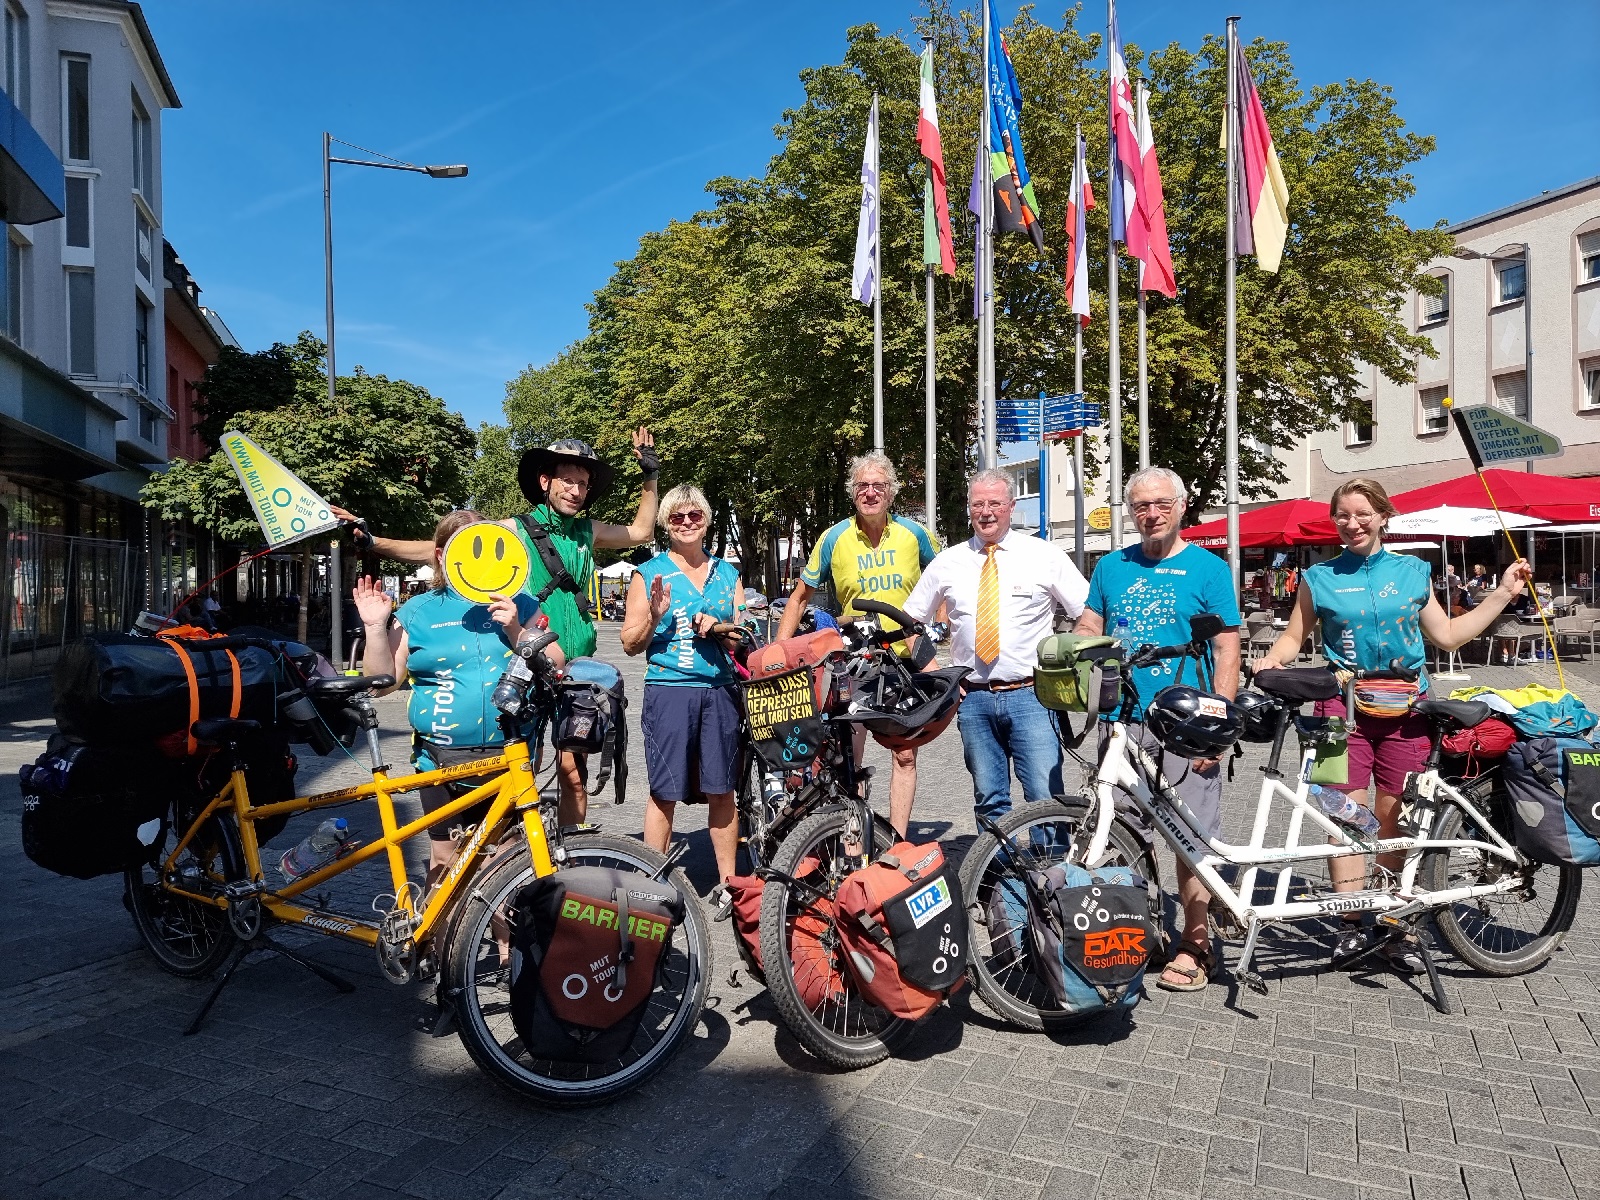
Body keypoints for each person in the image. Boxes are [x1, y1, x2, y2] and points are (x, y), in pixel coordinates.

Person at [1255, 478, 1532, 971]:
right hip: (1341, 709)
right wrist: (1269, 666)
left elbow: (1447, 636)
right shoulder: (1320, 578)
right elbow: (1295, 637)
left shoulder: (1412, 572)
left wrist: (1502, 595)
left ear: (1384, 516)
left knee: (1394, 816)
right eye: (1342, 515)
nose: (1352, 523)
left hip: (1409, 711)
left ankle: (1388, 918)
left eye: (1363, 514)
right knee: (1342, 816)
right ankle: (1350, 922)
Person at [332, 428, 658, 827]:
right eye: (568, 480)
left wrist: (650, 475)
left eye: (583, 483)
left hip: (574, 667)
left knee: (574, 771)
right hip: (530, 658)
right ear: (546, 482)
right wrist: (373, 542)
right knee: (528, 765)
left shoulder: (588, 531)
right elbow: (447, 548)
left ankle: (571, 850)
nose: (576, 490)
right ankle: (515, 849)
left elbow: (642, 532)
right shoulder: (514, 528)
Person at [1072, 467, 1241, 994]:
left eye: (1161, 504)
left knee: (1190, 838)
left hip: (1188, 724)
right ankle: (1136, 930)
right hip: (1122, 722)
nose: (1151, 514)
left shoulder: (1208, 570)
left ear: (1182, 506)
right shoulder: (1111, 567)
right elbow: (1090, 624)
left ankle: (1195, 941)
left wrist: (1219, 726)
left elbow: (1227, 648)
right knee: (1124, 833)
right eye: (1141, 506)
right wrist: (1077, 645)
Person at [352, 510, 543, 889]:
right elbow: (382, 682)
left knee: (505, 860)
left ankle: (506, 951)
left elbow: (554, 662)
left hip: (510, 753)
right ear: (441, 555)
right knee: (445, 858)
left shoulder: (521, 601)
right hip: (439, 760)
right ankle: (443, 946)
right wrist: (375, 628)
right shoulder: (420, 610)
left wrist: (517, 629)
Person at [903, 469, 1089, 826]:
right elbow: (910, 621)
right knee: (989, 800)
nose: (986, 511)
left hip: (1032, 697)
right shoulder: (949, 561)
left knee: (1044, 797)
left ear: (1011, 506)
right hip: (972, 699)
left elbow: (1087, 612)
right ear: (969, 509)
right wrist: (934, 674)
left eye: (995, 503)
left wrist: (1066, 666)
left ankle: (1052, 881)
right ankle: (995, 881)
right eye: (978, 504)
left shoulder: (1043, 555)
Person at [775, 451, 939, 836]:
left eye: (878, 486)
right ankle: (853, 843)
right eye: (862, 486)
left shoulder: (915, 535)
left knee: (904, 756)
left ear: (892, 493)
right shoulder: (834, 537)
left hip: (904, 660)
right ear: (853, 493)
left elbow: (944, 583)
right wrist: (777, 654)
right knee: (847, 757)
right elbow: (799, 598)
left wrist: (939, 628)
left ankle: (897, 842)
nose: (870, 493)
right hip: (853, 659)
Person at [619, 485, 746, 913]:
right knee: (663, 790)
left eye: (694, 515)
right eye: (677, 517)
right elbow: (630, 644)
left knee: (722, 788)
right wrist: (655, 618)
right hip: (669, 690)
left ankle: (730, 883)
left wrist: (724, 627)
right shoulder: (648, 572)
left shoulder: (728, 575)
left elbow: (744, 645)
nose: (687, 522)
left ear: (707, 521)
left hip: (720, 692)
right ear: (666, 524)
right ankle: (651, 883)